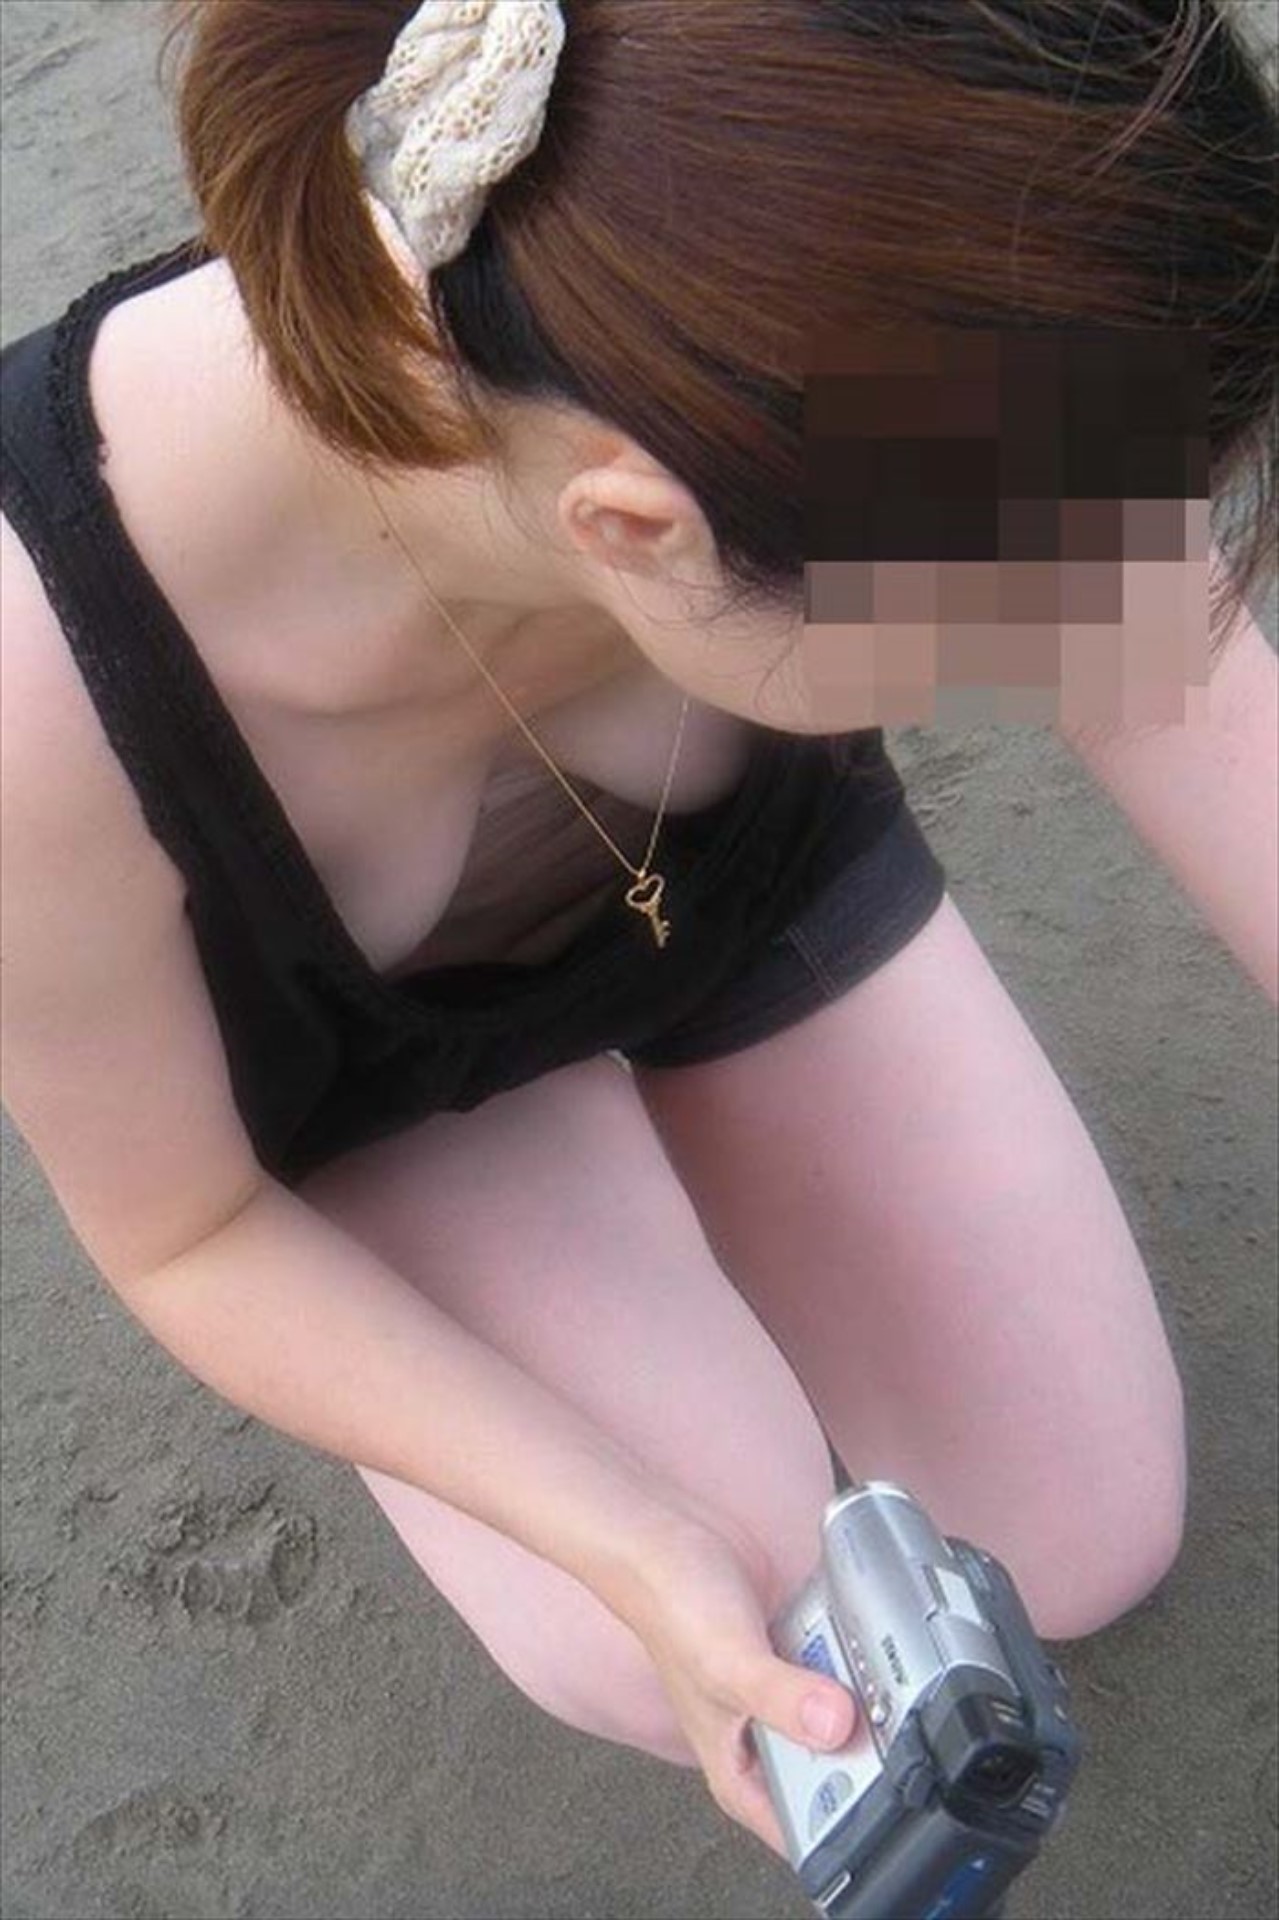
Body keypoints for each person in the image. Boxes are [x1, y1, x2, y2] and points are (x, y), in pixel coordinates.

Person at [1, 0, 1274, 1877]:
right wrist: (622, 1530)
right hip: (369, 1071)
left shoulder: (842, 349)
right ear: (636, 529)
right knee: (740, 1602)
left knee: (1081, 1536)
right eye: (1001, 617)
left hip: (731, 880)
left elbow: (1192, 698)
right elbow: (183, 1232)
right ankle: (553, 1211)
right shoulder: (32, 699)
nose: (1077, 642)